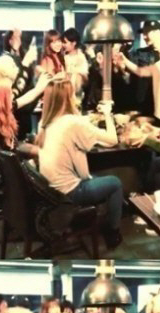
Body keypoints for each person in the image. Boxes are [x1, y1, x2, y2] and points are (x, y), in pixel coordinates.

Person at [36, 80, 123, 249]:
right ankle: (113, 232)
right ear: (67, 98)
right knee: (115, 183)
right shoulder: (72, 122)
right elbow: (113, 140)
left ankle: (100, 217)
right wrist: (107, 114)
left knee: (97, 175)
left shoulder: (44, 122)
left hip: (51, 190)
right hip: (70, 192)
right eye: (73, 94)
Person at [119, 29, 160, 127]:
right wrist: (124, 60)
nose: (157, 49)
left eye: (159, 47)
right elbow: (141, 72)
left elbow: (140, 72)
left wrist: (125, 61)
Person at [127, 20, 160, 117]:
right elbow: (131, 76)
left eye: (147, 33)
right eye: (143, 33)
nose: (145, 37)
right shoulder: (139, 53)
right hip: (143, 103)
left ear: (158, 33)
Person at [62, 28, 88, 100]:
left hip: (76, 94)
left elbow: (85, 77)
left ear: (74, 43)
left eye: (65, 42)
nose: (63, 45)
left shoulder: (81, 57)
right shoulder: (63, 57)